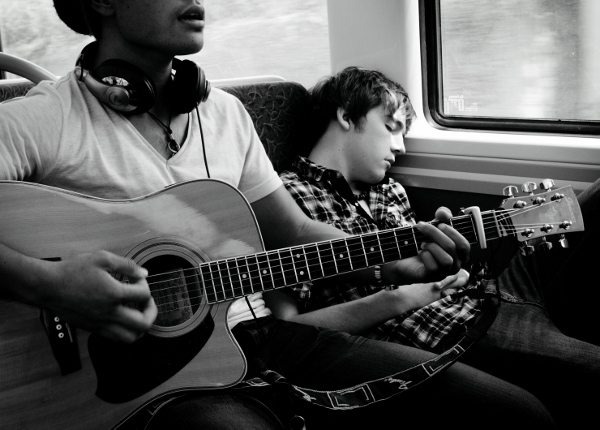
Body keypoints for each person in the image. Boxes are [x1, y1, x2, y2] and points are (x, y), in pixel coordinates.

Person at [0, 1, 556, 429]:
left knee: (514, 413)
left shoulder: (224, 114)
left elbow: (292, 230)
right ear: (101, 1)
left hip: (259, 337)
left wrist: (392, 264)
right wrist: (49, 283)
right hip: (128, 377)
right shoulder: (43, 119)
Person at [273, 66, 600, 429]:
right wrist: (402, 296)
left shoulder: (389, 190)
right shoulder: (289, 198)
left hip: (490, 292)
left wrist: (458, 249)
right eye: (391, 127)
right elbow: (288, 330)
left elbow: (435, 265)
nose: (401, 146)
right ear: (346, 115)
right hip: (454, 331)